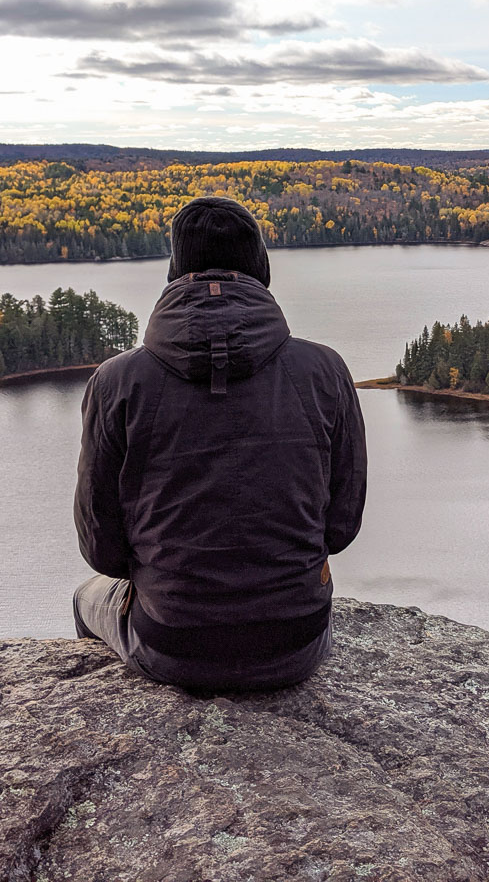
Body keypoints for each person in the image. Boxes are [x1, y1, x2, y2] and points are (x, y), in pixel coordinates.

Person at [72, 195, 366, 692]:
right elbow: (340, 528)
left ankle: (106, 704)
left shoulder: (116, 381)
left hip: (172, 645)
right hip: (295, 642)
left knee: (86, 597)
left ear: (173, 271)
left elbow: (101, 549)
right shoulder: (325, 370)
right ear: (262, 269)